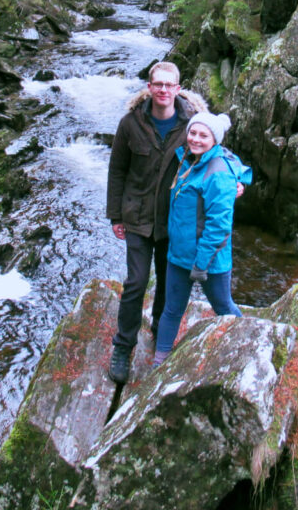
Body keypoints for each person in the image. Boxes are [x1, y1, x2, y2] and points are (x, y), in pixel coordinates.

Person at [105, 61, 208, 384]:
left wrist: (237, 182)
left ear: (178, 88)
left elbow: (215, 157)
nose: (163, 90)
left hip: (173, 220)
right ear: (149, 87)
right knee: (136, 282)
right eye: (157, 84)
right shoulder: (130, 124)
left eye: (169, 85)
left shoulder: (192, 124)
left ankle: (160, 329)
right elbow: (117, 170)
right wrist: (115, 215)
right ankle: (123, 346)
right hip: (136, 216)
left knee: (168, 282)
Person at [152, 111, 251, 368]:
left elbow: (219, 226)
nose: (195, 139)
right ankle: (159, 361)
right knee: (172, 309)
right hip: (179, 255)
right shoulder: (189, 159)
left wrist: (201, 264)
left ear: (215, 140)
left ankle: (250, 344)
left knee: (223, 307)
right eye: (193, 133)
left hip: (209, 262)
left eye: (203, 135)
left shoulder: (218, 173)